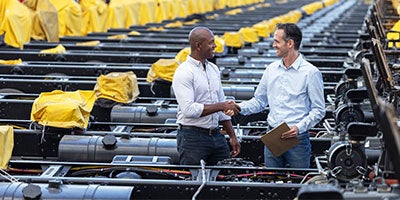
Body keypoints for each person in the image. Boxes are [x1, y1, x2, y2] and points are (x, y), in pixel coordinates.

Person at [236, 23, 325, 168]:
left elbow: (319, 110)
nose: (273, 45)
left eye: (277, 41)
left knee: (298, 181)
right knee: (272, 180)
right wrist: (239, 107)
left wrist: (299, 127)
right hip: (273, 136)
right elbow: (259, 101)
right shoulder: (271, 70)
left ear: (290, 43)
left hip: (297, 139)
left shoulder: (311, 73)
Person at [172, 27, 241, 165]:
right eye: (211, 42)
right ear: (198, 46)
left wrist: (232, 136)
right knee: (193, 180)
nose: (215, 45)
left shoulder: (213, 69)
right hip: (192, 138)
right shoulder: (184, 72)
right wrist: (222, 106)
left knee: (224, 175)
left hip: (216, 135)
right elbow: (189, 110)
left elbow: (221, 105)